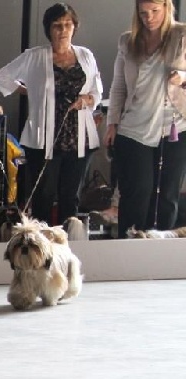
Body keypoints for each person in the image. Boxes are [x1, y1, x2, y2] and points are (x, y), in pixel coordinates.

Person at [0, 3, 102, 227]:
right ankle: (39, 246)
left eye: (68, 25)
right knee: (43, 196)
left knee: (70, 198)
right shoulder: (34, 56)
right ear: (48, 29)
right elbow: (0, 77)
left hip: (78, 137)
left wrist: (88, 100)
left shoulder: (86, 55)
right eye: (57, 25)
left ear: (75, 27)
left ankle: (66, 247)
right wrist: (27, 90)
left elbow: (97, 89)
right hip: (43, 139)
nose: (63, 30)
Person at [105, 0, 186, 237]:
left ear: (167, 7)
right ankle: (130, 247)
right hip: (134, 127)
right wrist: (112, 122)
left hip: (175, 126)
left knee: (167, 194)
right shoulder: (127, 41)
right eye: (143, 13)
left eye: (154, 11)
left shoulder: (182, 35)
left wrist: (182, 78)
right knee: (136, 192)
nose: (149, 18)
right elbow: (118, 85)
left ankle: (160, 252)